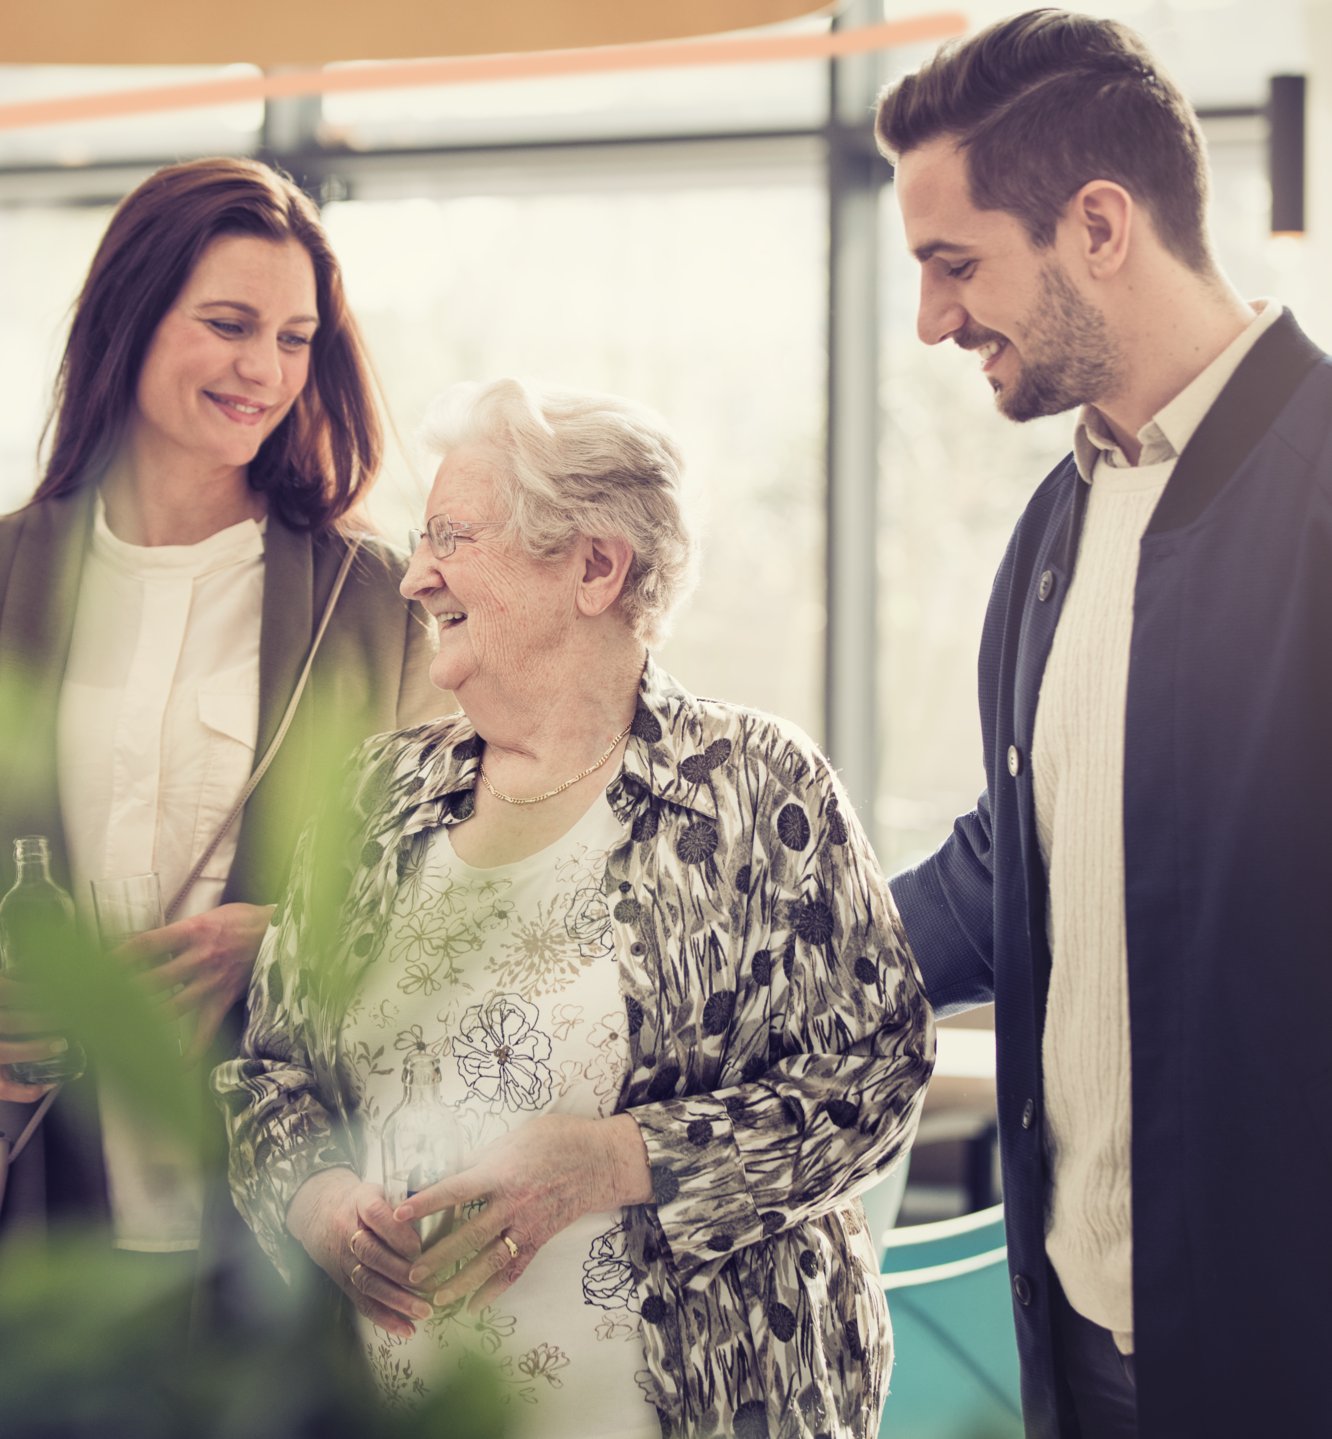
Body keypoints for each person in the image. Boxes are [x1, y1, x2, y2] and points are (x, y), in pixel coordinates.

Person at [215, 379, 935, 1438]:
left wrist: (614, 1158)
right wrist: (317, 1196)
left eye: (453, 536)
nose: (416, 573)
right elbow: (266, 1070)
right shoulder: (373, 797)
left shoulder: (757, 787)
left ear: (596, 566)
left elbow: (875, 1073)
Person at [875, 10, 1332, 1438]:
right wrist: (749, 952)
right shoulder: (1056, 526)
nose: (933, 319)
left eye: (957, 265)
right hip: (1079, 1340)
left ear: (1098, 223)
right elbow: (1023, 864)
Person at [0, 158, 443, 1287]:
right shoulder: (5, 572)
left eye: (296, 339)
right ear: (131, 317)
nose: (265, 370)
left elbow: (470, 905)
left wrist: (282, 944)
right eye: (231, 323)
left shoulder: (376, 602)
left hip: (286, 1224)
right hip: (37, 1212)